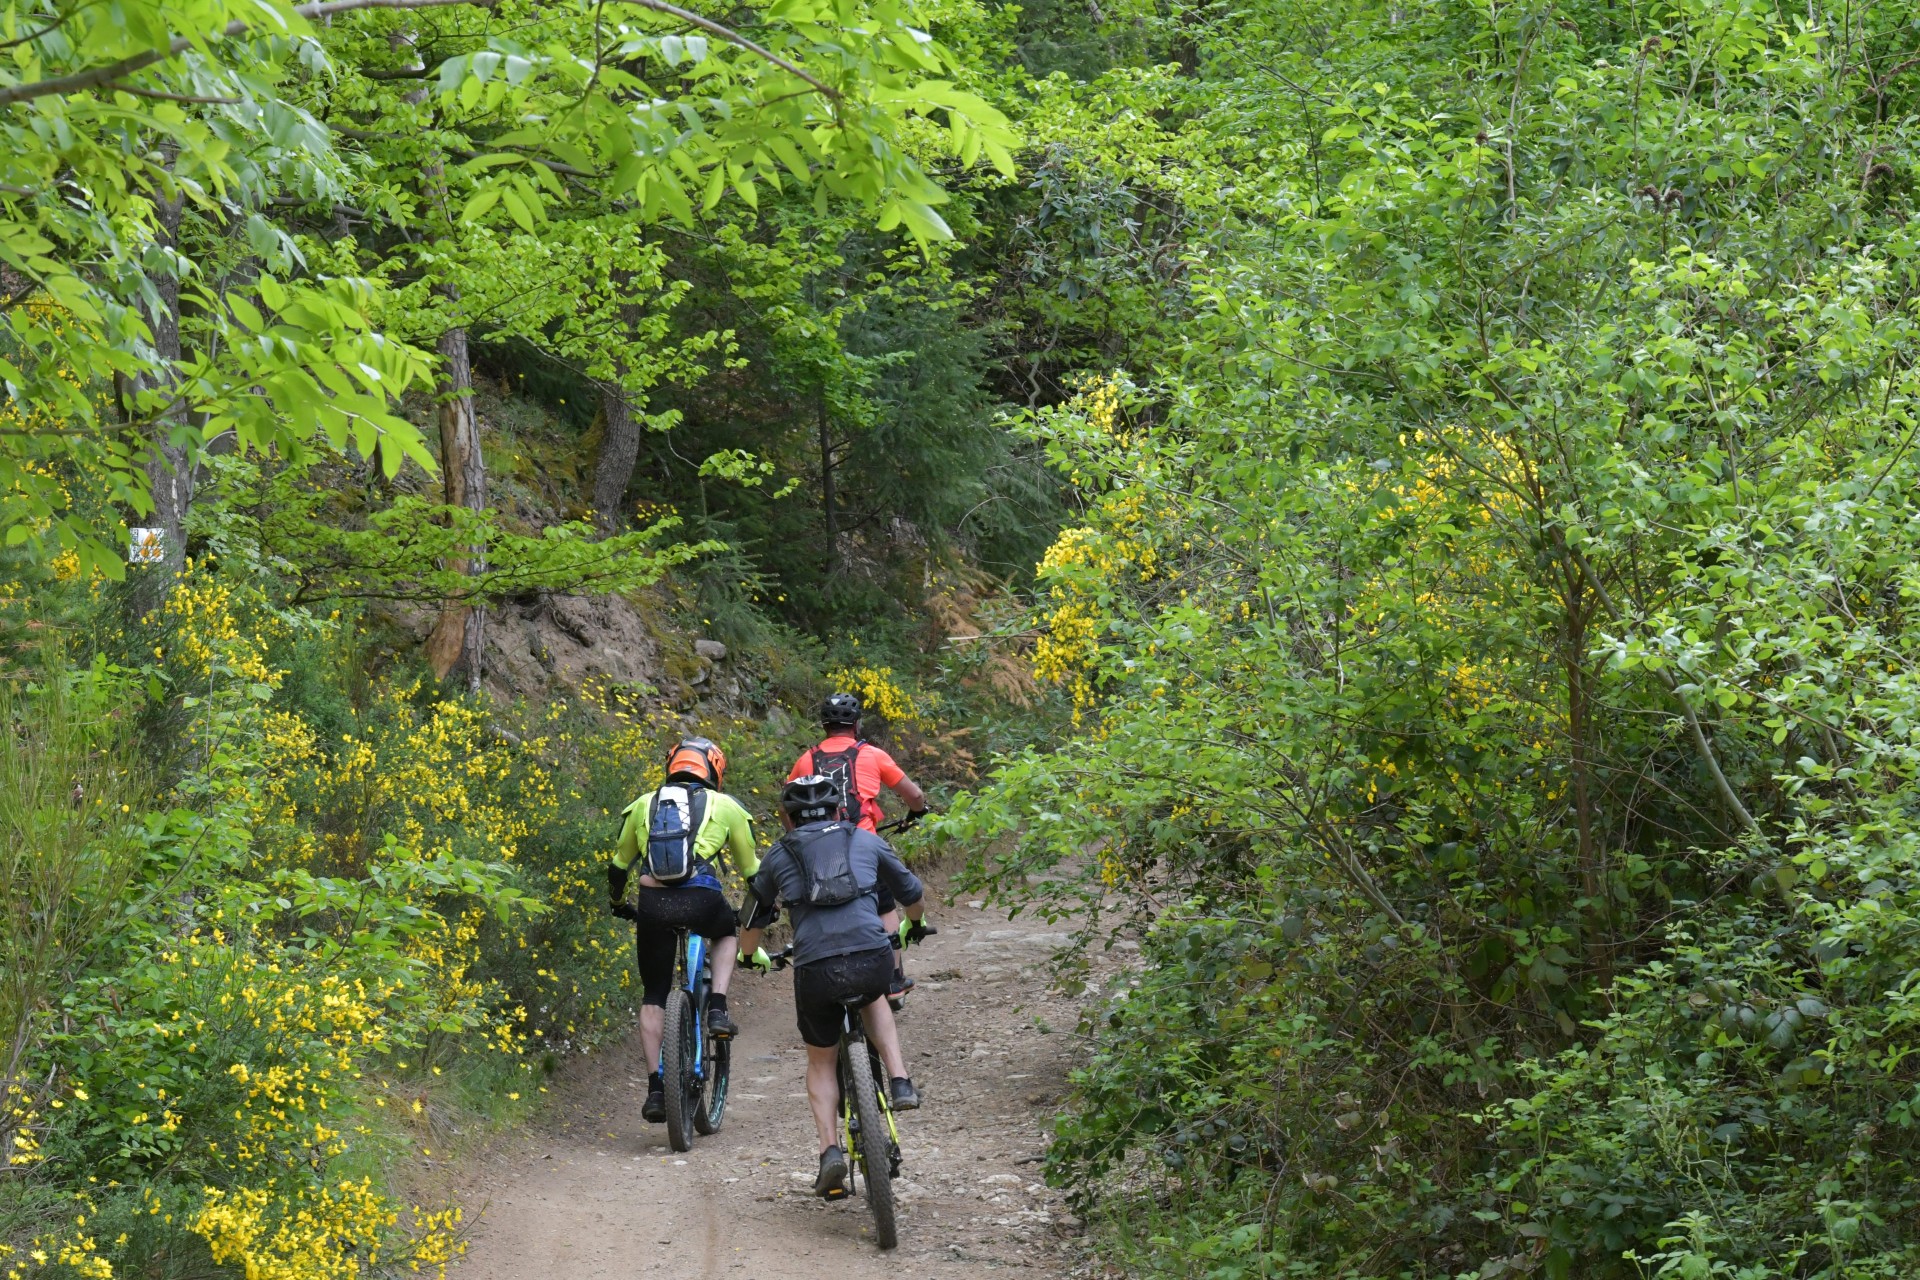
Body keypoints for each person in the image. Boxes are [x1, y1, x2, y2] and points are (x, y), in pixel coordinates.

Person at [739, 775, 931, 1198]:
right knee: (876, 994)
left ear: (787, 819)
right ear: (839, 809)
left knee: (822, 1061)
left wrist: (749, 954)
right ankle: (899, 1080)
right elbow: (912, 893)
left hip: (815, 970)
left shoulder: (778, 854)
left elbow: (752, 918)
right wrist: (914, 924)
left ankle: (829, 1150)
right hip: (870, 957)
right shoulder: (865, 841)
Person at [608, 736, 758, 1124]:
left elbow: (618, 864)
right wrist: (756, 912)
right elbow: (752, 871)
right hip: (701, 900)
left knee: (654, 993)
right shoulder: (726, 807)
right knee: (725, 933)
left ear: (671, 765)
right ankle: (719, 1009)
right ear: (715, 770)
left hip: (652, 904)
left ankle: (656, 1088)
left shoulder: (644, 804)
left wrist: (617, 902)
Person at [787, 693, 928, 995]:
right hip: (862, 845)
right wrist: (916, 812)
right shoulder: (872, 755)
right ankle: (893, 979)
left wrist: (795, 837)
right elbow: (915, 796)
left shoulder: (806, 760)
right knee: (885, 904)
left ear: (824, 725)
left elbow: (786, 807)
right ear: (856, 724)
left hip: (816, 849)